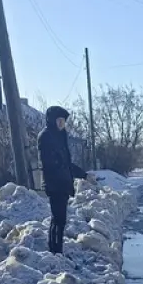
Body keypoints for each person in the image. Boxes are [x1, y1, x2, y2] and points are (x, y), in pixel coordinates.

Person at [38, 105, 91, 254]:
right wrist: (62, 171)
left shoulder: (60, 136)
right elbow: (49, 163)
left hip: (62, 183)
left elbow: (66, 163)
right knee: (58, 219)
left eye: (63, 121)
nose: (62, 124)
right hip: (54, 183)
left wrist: (84, 175)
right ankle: (55, 250)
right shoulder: (46, 136)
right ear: (52, 120)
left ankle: (55, 249)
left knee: (59, 219)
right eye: (59, 120)